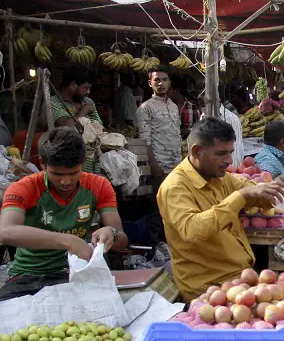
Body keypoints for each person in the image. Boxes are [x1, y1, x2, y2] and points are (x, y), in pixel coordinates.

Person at [157, 118, 284, 301]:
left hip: (238, 276)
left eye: (230, 153)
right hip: (208, 287)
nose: (228, 160)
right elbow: (193, 230)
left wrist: (275, 189)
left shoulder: (219, 177)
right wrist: (240, 197)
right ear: (196, 151)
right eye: (221, 154)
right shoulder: (175, 187)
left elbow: (250, 189)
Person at [0, 127, 128, 301]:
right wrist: (68, 241)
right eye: (57, 174)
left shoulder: (98, 186)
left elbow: (122, 241)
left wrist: (111, 233)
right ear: (42, 164)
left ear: (83, 163)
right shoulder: (24, 187)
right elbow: (6, 232)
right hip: (28, 276)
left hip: (75, 275)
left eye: (74, 173)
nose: (66, 181)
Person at [50, 64, 103, 172]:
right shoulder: (54, 102)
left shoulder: (88, 101)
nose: (88, 92)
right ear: (73, 85)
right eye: (86, 87)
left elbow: (100, 127)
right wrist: (85, 110)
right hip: (72, 169)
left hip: (96, 168)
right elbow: (68, 126)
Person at [136, 66, 183, 183]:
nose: (161, 83)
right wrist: (154, 166)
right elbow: (145, 140)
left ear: (169, 83)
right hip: (160, 167)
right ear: (150, 83)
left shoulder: (174, 107)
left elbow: (177, 134)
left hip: (177, 165)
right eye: (157, 80)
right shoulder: (145, 108)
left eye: (164, 80)